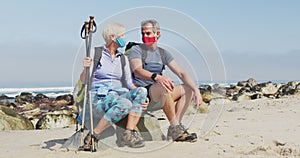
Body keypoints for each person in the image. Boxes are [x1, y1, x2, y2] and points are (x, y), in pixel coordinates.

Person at [128, 19, 203, 142]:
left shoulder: (163, 53)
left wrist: (196, 90)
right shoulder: (136, 50)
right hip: (144, 94)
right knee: (164, 86)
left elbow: (181, 72)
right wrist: (157, 77)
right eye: (143, 33)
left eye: (148, 33)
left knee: (187, 89)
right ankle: (176, 127)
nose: (144, 36)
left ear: (157, 34)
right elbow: (137, 71)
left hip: (161, 95)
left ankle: (175, 127)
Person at [80, 23, 148, 149]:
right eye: (122, 35)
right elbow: (84, 81)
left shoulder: (122, 58)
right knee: (126, 104)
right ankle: (93, 136)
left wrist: (141, 96)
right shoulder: (96, 52)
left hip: (117, 95)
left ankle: (128, 133)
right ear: (112, 37)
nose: (124, 38)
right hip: (98, 98)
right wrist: (85, 68)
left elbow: (129, 83)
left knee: (142, 91)